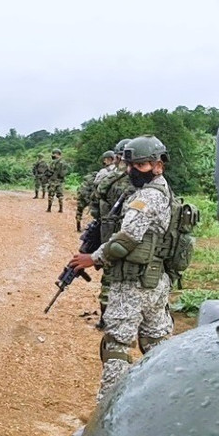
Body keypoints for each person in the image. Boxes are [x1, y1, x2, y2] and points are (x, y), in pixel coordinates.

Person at [68, 136, 174, 402]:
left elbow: (126, 239)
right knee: (156, 342)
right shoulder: (159, 190)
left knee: (117, 345)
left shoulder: (148, 196)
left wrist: (92, 258)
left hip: (132, 283)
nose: (131, 171)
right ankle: (166, 399)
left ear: (157, 165)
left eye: (139, 166)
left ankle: (109, 410)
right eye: (130, 165)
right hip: (154, 280)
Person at [91, 138, 132, 327]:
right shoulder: (142, 180)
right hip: (134, 238)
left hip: (111, 238)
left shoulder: (108, 178)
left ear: (116, 157)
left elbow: (96, 205)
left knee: (108, 279)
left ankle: (104, 320)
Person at [76, 150, 114, 231]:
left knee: (99, 219)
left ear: (109, 159)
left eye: (105, 159)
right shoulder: (120, 170)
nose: (104, 161)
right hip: (115, 199)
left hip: (104, 200)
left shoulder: (104, 171)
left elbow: (96, 183)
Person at [45, 148, 70, 213]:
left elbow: (49, 171)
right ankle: (61, 209)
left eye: (54, 154)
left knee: (51, 194)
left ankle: (49, 208)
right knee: (60, 195)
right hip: (60, 181)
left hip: (53, 180)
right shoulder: (64, 162)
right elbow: (65, 172)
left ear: (57, 154)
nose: (53, 155)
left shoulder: (53, 162)